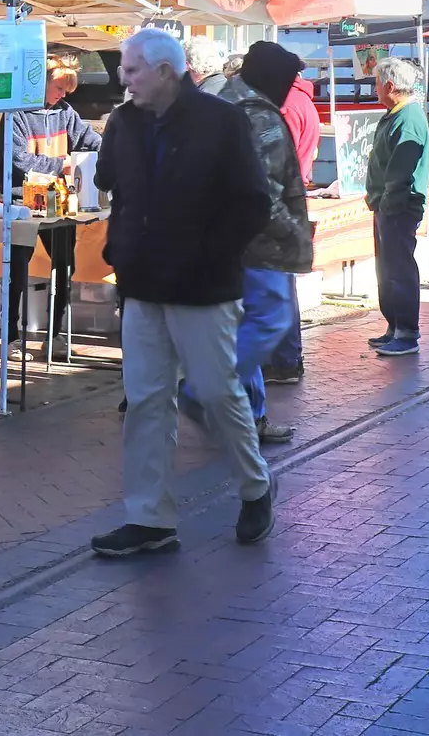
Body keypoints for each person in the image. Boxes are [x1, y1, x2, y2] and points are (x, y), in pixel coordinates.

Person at [91, 28, 275, 557]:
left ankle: (255, 485)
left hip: (202, 288)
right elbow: (110, 181)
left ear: (167, 71)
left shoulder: (222, 121)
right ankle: (149, 518)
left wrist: (210, 253)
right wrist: (122, 247)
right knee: (147, 401)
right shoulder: (123, 122)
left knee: (216, 395)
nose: (123, 80)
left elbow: (252, 203)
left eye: (132, 70)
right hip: (142, 285)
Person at [212, 42, 313, 444]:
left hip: (227, 238)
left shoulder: (224, 100)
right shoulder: (259, 115)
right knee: (269, 320)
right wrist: (294, 230)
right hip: (258, 244)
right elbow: (264, 194)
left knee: (243, 326)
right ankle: (209, 394)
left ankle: (248, 416)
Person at [364, 58, 429, 358]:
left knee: (399, 267)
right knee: (387, 268)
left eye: (377, 83)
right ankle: (394, 325)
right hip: (387, 204)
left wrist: (388, 201)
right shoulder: (395, 114)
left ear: (390, 86)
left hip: (399, 206)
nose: (375, 89)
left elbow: (401, 170)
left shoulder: (408, 117)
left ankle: (406, 330)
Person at [264, 68, 322, 387]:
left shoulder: (284, 105)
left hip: (281, 201)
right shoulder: (303, 99)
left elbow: (275, 160)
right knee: (281, 284)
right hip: (291, 195)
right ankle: (287, 359)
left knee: (277, 287)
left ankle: (285, 361)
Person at [0, 54, 102, 197]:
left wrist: (109, 150)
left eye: (66, 90)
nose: (63, 94)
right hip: (22, 200)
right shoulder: (17, 115)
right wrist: (62, 165)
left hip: (57, 197)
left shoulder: (65, 111)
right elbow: (19, 160)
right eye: (59, 88)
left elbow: (88, 138)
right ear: (41, 83)